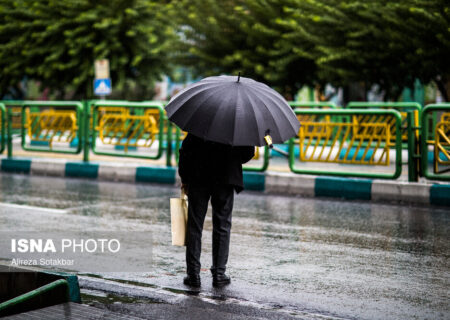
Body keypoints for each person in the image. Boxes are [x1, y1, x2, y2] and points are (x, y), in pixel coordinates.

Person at [178, 133, 255, 287]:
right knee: (222, 226)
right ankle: (219, 274)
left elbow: (185, 150)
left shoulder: (202, 120)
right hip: (225, 178)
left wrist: (184, 177)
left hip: (198, 176)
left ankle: (193, 274)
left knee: (194, 226)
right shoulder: (237, 125)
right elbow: (247, 153)